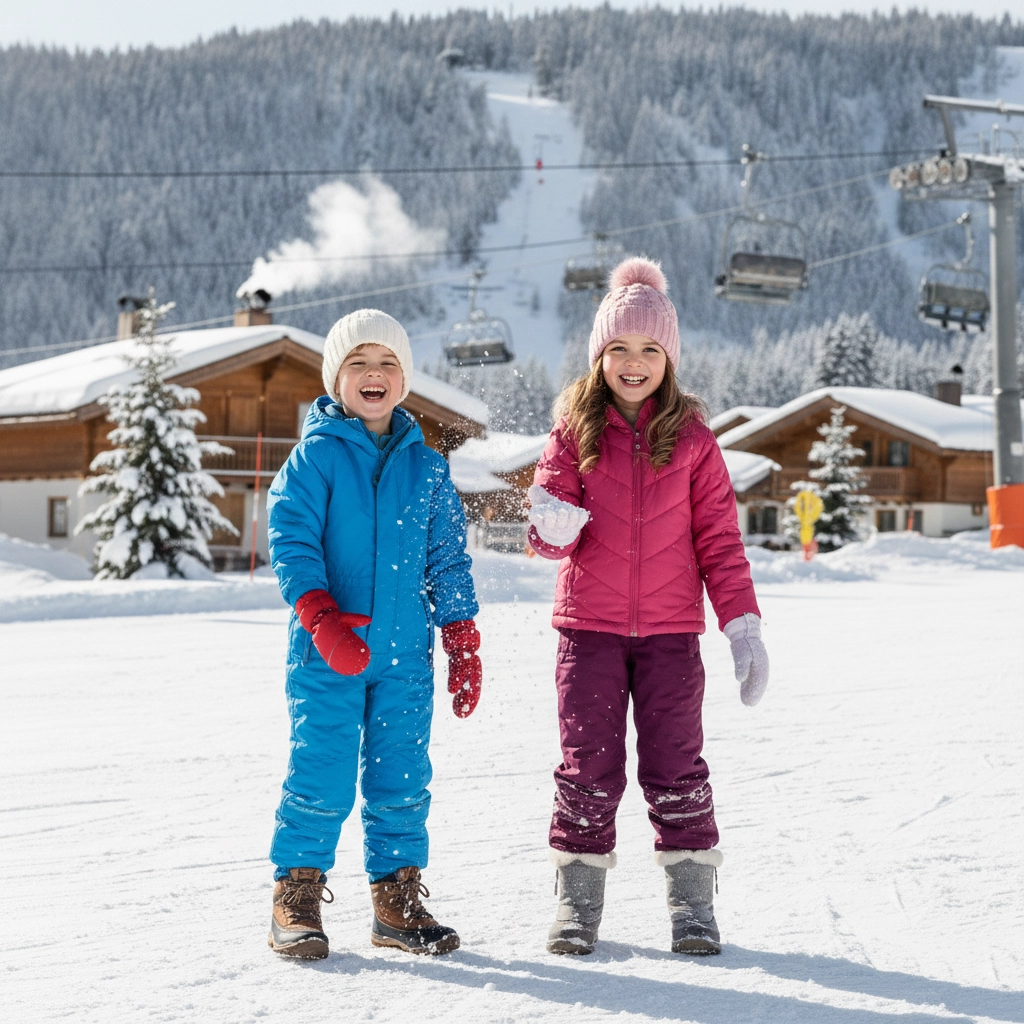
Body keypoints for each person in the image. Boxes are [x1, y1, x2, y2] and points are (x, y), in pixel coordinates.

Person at [527, 257, 769, 956]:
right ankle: (577, 907)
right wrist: (550, 526)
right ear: (599, 355)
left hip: (670, 638)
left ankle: (693, 908)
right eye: (619, 350)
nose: (634, 364)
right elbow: (547, 536)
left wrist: (742, 626)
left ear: (670, 358)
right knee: (587, 765)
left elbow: (721, 542)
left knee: (676, 764)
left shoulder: (693, 441)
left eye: (649, 350)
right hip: (588, 633)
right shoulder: (572, 430)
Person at [265, 309, 483, 960]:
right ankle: (296, 894)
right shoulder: (317, 457)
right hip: (327, 651)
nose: (374, 374)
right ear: (336, 378)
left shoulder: (428, 468)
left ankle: (396, 900)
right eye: (358, 363)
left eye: (388, 363)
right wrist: (321, 617)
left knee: (403, 777)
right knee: (322, 770)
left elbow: (447, 558)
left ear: (405, 379)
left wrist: (462, 637)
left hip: (404, 658)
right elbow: (290, 539)